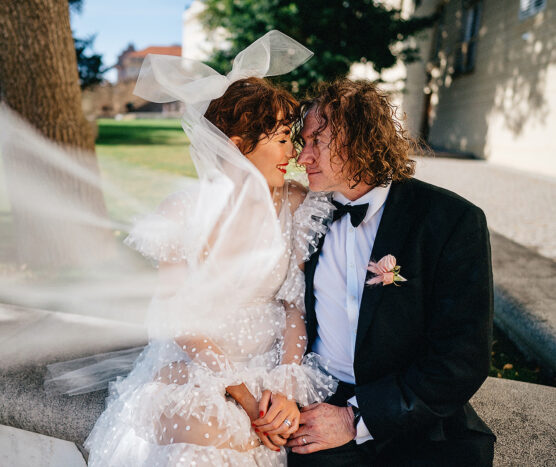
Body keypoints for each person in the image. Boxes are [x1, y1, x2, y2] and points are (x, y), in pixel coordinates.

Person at [80, 32, 337, 466]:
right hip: (197, 366)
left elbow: (294, 309)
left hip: (269, 366)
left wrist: (283, 389)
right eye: (280, 139)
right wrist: (243, 394)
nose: (293, 152)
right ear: (238, 147)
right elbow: (179, 315)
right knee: (202, 432)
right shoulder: (181, 213)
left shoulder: (296, 205)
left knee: (258, 440)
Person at [286, 79, 496, 466]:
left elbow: (462, 357)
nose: (304, 158)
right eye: (303, 143)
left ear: (360, 140)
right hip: (317, 408)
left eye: (318, 141)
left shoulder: (450, 220)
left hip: (417, 419)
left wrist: (355, 417)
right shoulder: (305, 215)